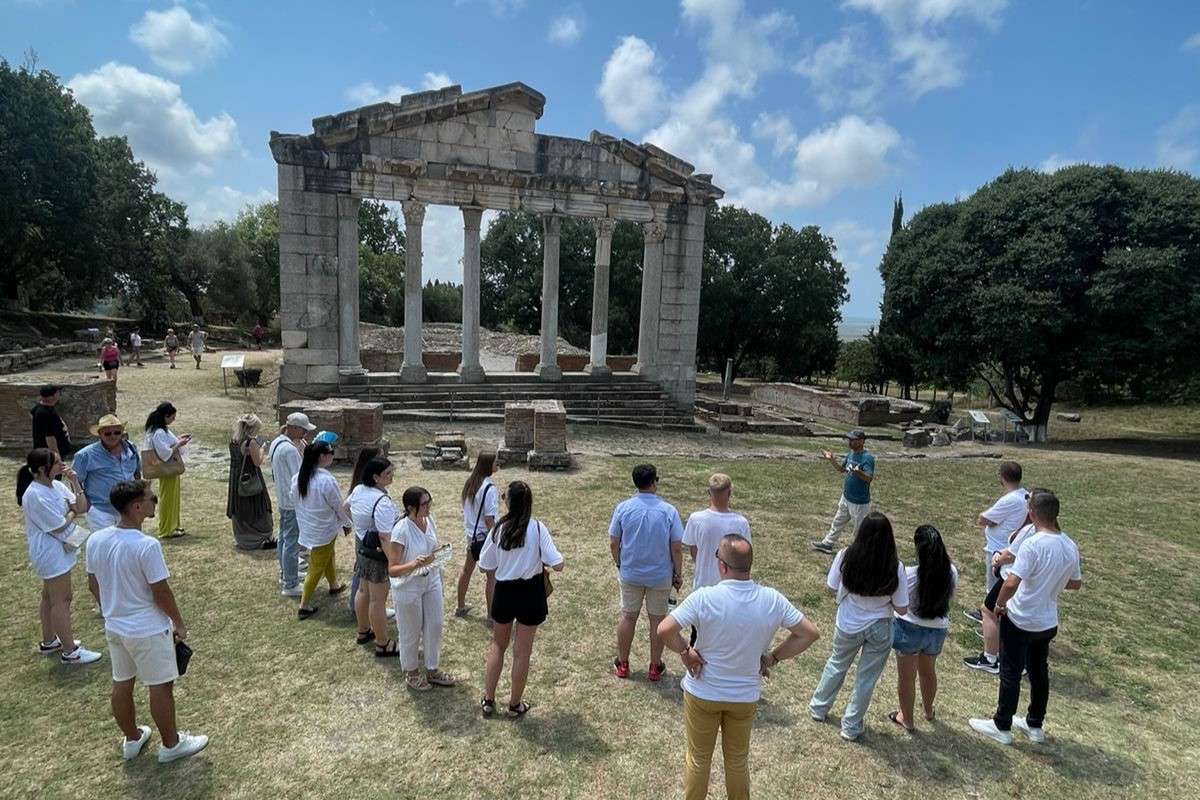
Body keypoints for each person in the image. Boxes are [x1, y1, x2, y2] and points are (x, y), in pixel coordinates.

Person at [658, 534, 820, 800]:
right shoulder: (772, 599)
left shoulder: (704, 597)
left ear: (722, 565)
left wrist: (686, 652)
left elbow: (665, 630)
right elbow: (809, 633)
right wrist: (772, 658)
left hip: (703, 692)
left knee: (698, 760)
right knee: (737, 761)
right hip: (744, 696)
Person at [86, 480, 208, 762]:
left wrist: (112, 610)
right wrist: (178, 622)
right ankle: (171, 744)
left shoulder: (96, 539)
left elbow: (93, 585)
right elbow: (161, 592)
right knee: (160, 686)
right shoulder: (147, 545)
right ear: (137, 506)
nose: (155, 501)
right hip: (147, 629)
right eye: (152, 499)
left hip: (115, 627)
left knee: (122, 683)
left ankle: (132, 738)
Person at [969, 491, 1082, 745]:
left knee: (1010, 671)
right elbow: (1075, 583)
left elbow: (1011, 582)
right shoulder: (1069, 544)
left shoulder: (1034, 544)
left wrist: (999, 604)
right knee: (1039, 671)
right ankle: (1034, 724)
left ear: (1031, 513)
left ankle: (1002, 724)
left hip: (1021, 618)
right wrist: (1050, 581)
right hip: (1047, 621)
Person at [809, 511, 909, 742]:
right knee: (866, 678)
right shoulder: (896, 566)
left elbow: (831, 587)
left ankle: (818, 708)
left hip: (847, 623)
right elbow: (902, 609)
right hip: (880, 628)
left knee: (836, 664)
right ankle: (851, 726)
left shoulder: (845, 555)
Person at [478, 480, 563, 719]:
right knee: (522, 652)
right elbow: (558, 563)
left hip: (505, 590)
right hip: (530, 592)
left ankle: (488, 698)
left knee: (498, 645)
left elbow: (485, 565)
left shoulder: (498, 530)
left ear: (508, 502)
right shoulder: (537, 529)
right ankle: (515, 704)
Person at [18, 448, 100, 664]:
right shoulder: (34, 494)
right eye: (55, 462)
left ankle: (50, 641)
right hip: (50, 553)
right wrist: (70, 512)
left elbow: (82, 506)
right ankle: (70, 650)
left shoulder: (57, 485)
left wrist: (75, 482)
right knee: (62, 599)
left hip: (60, 550)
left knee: (49, 596)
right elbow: (58, 525)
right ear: (40, 470)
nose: (61, 465)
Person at [609, 463, 684, 681]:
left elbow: (614, 542)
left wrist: (620, 563)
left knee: (628, 616)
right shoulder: (668, 511)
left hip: (631, 572)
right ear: (653, 483)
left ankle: (622, 663)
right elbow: (676, 547)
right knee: (657, 621)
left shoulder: (623, 508)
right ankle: (654, 666)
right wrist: (677, 573)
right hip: (660, 575)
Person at [965, 490, 1042, 675]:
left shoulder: (1029, 531)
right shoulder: (1052, 535)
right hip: (1029, 581)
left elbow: (1011, 554)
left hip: (1012, 578)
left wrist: (998, 559)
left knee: (989, 610)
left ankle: (990, 659)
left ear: (1033, 509)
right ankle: (1020, 661)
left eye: (1028, 499)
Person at [889, 525, 957, 732]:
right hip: (936, 631)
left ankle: (906, 719)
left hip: (908, 628)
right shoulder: (951, 572)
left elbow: (896, 600)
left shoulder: (909, 574)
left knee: (907, 677)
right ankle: (928, 710)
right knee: (928, 673)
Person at [387, 486, 456, 689]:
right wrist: (413, 564)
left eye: (429, 502)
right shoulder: (401, 530)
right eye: (424, 504)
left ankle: (432, 669)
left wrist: (441, 554)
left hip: (431, 579)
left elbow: (432, 548)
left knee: (435, 624)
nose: (428, 507)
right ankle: (412, 672)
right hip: (409, 586)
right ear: (410, 508)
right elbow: (392, 569)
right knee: (410, 631)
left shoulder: (429, 520)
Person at [346, 457, 398, 651]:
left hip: (362, 545)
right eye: (387, 474)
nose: (391, 476)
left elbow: (345, 508)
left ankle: (363, 630)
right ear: (376, 477)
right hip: (377, 551)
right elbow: (385, 537)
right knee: (378, 599)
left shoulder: (359, 490)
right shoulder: (381, 502)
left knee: (363, 590)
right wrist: (393, 561)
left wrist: (358, 526)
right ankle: (383, 643)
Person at [966, 461, 1028, 622]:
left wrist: (992, 521)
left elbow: (982, 519)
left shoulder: (1010, 500)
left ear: (1001, 477)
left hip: (998, 550)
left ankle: (990, 621)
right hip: (1010, 548)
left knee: (993, 589)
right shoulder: (1024, 496)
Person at [294, 440, 349, 619]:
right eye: (331, 452)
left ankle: (333, 584)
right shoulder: (326, 480)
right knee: (316, 565)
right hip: (324, 529)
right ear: (322, 457)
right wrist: (346, 523)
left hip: (310, 527)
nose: (333, 455)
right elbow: (337, 505)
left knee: (327, 555)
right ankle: (304, 605)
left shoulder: (298, 478)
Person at [269, 412, 315, 596]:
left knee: (284, 538)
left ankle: (287, 573)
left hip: (284, 498)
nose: (305, 433)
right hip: (291, 500)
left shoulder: (277, 443)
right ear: (294, 428)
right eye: (303, 430)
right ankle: (289, 583)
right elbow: (300, 475)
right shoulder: (288, 450)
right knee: (291, 541)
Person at [70, 414, 142, 531]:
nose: (113, 436)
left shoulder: (131, 448)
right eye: (108, 433)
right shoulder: (85, 455)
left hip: (129, 509)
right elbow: (75, 481)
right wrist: (88, 506)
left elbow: (137, 473)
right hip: (101, 511)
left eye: (117, 432)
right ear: (100, 434)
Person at [683, 473, 750, 592]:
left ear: (708, 492)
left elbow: (694, 551)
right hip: (731, 587)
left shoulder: (696, 519)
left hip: (702, 586)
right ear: (729, 493)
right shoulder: (741, 523)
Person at [812, 429, 874, 554]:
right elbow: (842, 469)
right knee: (838, 521)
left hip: (859, 502)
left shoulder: (867, 458)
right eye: (849, 439)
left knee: (860, 529)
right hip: (846, 497)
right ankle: (827, 544)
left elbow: (869, 478)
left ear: (862, 441)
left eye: (853, 440)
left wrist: (858, 472)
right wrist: (831, 459)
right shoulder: (850, 454)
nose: (850, 442)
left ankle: (862, 552)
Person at [457, 452, 500, 621]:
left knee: (467, 569)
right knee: (492, 576)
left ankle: (460, 606)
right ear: (488, 465)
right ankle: (491, 616)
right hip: (484, 536)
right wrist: (496, 536)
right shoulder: (489, 488)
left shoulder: (471, 483)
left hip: (471, 535)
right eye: (496, 462)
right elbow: (489, 518)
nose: (498, 464)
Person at [227, 414, 276, 551]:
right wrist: (262, 448)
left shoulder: (234, 441)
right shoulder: (251, 442)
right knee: (257, 507)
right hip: (251, 479)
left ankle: (243, 537)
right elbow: (257, 461)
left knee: (241, 507)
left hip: (237, 478)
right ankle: (259, 537)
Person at [143, 402, 191, 540]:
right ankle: (167, 529)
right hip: (167, 470)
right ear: (166, 416)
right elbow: (165, 453)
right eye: (172, 417)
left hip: (172, 471)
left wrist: (179, 439)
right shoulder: (158, 432)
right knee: (167, 499)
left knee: (173, 498)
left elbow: (167, 444)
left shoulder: (160, 430)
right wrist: (180, 444)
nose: (173, 420)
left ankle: (174, 524)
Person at [346, 446, 383, 613]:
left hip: (362, 534)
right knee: (367, 574)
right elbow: (346, 507)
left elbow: (346, 507)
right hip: (369, 537)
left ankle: (356, 604)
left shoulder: (359, 486)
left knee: (361, 570)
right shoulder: (364, 487)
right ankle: (360, 606)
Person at [30, 384, 71, 456]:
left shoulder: (43, 407)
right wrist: (56, 456)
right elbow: (50, 438)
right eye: (57, 393)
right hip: (48, 454)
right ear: (53, 396)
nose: (59, 394)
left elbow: (31, 413)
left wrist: (62, 425)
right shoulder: (45, 414)